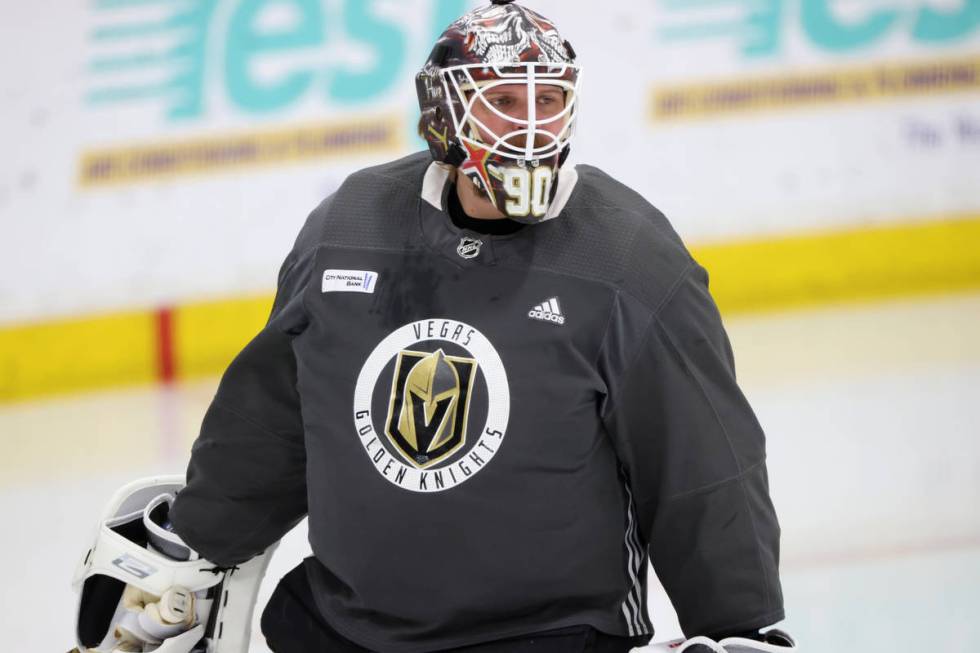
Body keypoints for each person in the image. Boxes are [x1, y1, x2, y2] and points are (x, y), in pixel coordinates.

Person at [167, 1, 794, 651]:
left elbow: (700, 450)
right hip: (345, 626)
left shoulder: (625, 254)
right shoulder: (350, 226)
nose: (528, 127)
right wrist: (203, 537)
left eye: (547, 99)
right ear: (442, 112)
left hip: (547, 636)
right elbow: (276, 412)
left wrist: (737, 623)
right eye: (501, 101)